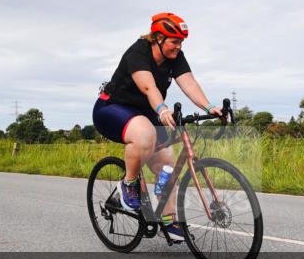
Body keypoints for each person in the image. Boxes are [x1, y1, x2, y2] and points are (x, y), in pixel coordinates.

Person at [92, 12, 222, 240]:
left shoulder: (175, 56)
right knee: (144, 134)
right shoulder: (138, 52)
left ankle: (168, 219)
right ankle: (129, 183)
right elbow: (148, 87)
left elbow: (189, 82)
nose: (178, 47)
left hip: (144, 113)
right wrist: (162, 110)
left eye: (181, 42)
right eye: (174, 41)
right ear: (158, 38)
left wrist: (209, 107)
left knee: (168, 164)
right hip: (112, 109)